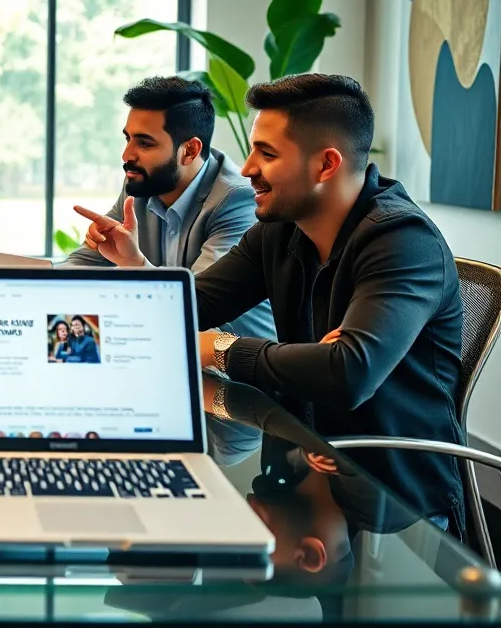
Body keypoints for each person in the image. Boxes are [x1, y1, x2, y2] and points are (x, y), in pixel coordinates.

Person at [187, 73, 465, 535]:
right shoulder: (280, 230)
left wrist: (216, 348)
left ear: (326, 164)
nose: (247, 167)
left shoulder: (403, 241)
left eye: (268, 153)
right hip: (307, 463)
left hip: (399, 510)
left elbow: (347, 374)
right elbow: (190, 306)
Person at [67, 76, 276, 341]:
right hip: (169, 346)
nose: (127, 155)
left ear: (189, 150)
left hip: (234, 372)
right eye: (128, 139)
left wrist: (134, 266)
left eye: (144, 143)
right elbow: (84, 262)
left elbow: (193, 308)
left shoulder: (237, 200)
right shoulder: (143, 182)